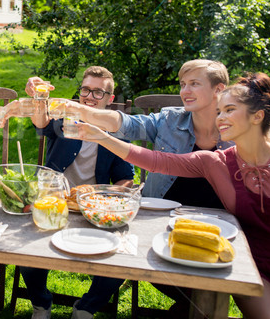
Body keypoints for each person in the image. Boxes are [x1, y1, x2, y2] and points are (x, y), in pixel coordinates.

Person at [74, 73, 270, 319]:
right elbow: (156, 160)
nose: (220, 118)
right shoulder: (214, 162)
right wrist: (101, 136)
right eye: (219, 111)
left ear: (258, 116)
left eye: (229, 110)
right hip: (252, 269)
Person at [65, 59, 234, 314]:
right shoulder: (169, 119)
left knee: (209, 294)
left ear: (218, 90)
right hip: (159, 216)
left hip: (216, 228)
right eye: (182, 84)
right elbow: (126, 124)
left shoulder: (237, 129)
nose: (184, 91)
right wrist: (81, 111)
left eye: (194, 84)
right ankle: (88, 306)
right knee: (123, 249)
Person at [22, 66, 135, 319]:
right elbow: (40, 122)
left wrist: (101, 197)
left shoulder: (118, 131)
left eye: (98, 92)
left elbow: (126, 179)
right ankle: (41, 304)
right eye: (86, 89)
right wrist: (38, 97)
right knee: (25, 250)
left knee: (121, 258)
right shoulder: (64, 117)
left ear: (110, 99)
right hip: (51, 202)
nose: (89, 97)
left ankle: (86, 308)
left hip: (94, 209)